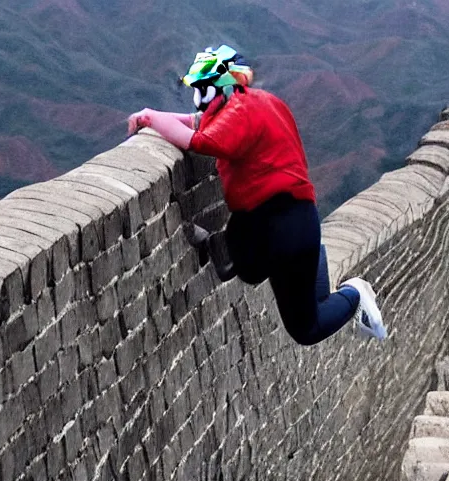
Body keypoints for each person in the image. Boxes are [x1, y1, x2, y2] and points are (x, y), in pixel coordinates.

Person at [127, 45, 387, 345]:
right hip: (284, 219)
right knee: (246, 265)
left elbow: (198, 140)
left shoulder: (240, 111)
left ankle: (355, 293)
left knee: (306, 328)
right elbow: (197, 121)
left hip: (284, 224)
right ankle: (314, 255)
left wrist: (148, 117)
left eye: (201, 87)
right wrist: (156, 117)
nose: (197, 95)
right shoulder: (256, 102)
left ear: (218, 85)